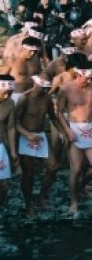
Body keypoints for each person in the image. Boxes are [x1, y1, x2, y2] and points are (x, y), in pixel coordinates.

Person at [55, 59, 92, 215]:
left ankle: (81, 185)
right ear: (78, 74)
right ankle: (74, 200)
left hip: (90, 128)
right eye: (87, 78)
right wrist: (66, 130)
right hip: (74, 128)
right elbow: (58, 112)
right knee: (76, 169)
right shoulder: (66, 89)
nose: (89, 81)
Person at [14, 74, 59, 218]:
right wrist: (27, 134)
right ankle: (29, 205)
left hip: (40, 136)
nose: (46, 90)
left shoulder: (47, 98)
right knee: (28, 173)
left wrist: (63, 132)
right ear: (36, 83)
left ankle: (41, 198)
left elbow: (53, 117)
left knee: (53, 167)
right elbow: (15, 122)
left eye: (47, 88)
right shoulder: (24, 98)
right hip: (25, 136)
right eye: (43, 87)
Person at [0, 75, 17, 206]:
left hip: (1, 144)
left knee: (4, 183)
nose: (6, 97)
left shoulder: (10, 103)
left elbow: (11, 128)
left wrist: (13, 151)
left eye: (10, 94)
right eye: (5, 93)